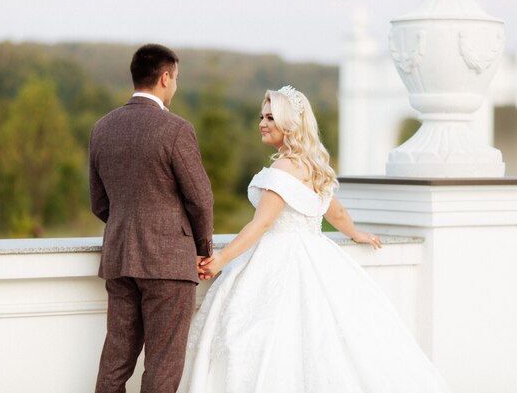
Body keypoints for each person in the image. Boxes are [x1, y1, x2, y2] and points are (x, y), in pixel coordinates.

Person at [179, 86, 451, 392]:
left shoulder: (282, 168)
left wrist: (220, 260)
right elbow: (336, 213)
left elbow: (261, 224)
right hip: (317, 251)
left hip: (279, 257)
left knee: (258, 337)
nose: (262, 123)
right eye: (261, 116)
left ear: (290, 124)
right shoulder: (314, 166)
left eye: (271, 117)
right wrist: (355, 234)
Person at [89, 44, 214, 393]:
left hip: (119, 258)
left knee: (114, 362)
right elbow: (201, 199)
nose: (175, 86)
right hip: (169, 263)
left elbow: (99, 203)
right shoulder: (176, 129)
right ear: (164, 78)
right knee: (162, 365)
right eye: (175, 79)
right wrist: (203, 247)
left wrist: (126, 227)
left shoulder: (102, 128)